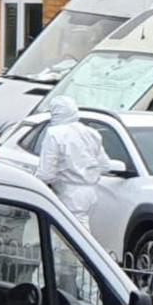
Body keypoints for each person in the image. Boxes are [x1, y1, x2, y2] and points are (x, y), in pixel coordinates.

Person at [35, 96, 109, 230]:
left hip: (67, 193)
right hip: (91, 192)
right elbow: (104, 165)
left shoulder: (55, 133)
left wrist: (35, 185)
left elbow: (46, 173)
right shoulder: (92, 133)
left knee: (73, 234)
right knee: (80, 229)